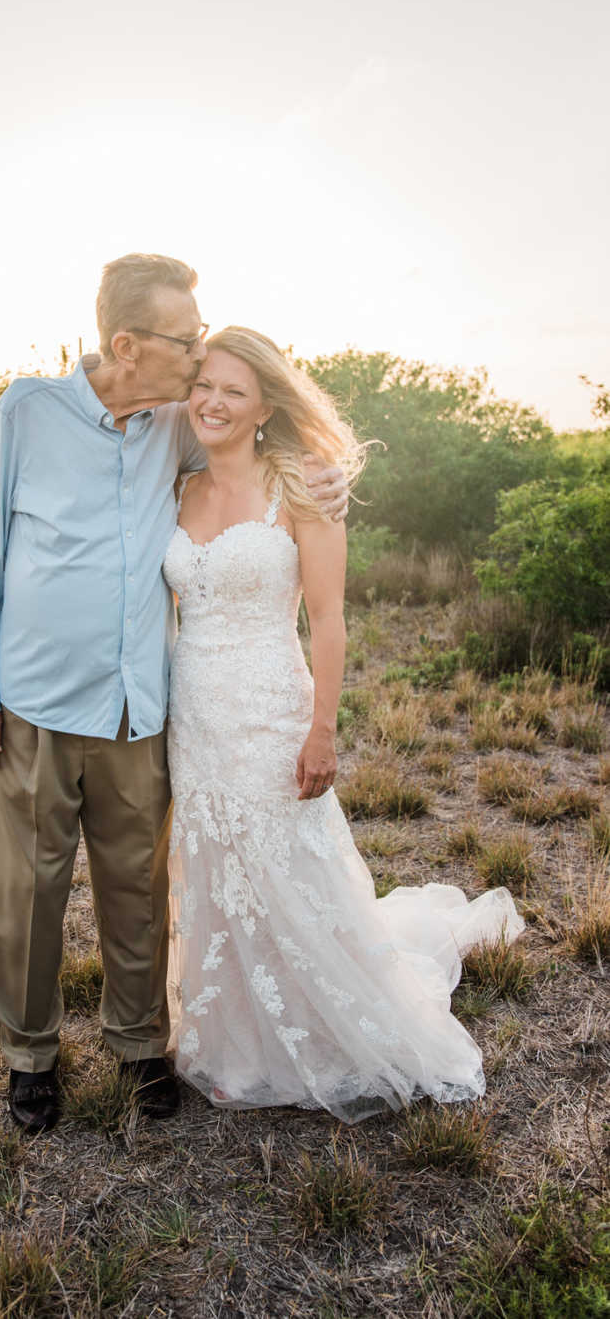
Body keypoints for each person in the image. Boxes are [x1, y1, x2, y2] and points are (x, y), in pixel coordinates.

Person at [0, 256, 349, 1133]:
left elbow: (254, 442)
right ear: (127, 345)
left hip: (140, 708)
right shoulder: (27, 411)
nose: (199, 353)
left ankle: (140, 1046)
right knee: (31, 890)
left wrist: (323, 476)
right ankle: (31, 1056)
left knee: (137, 883)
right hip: (34, 705)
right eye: (186, 338)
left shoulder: (177, 421)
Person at [163, 326, 524, 1120]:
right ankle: (233, 1040)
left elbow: (328, 619)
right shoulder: (179, 483)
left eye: (234, 390)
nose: (213, 402)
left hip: (271, 706)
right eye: (205, 386)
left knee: (291, 865)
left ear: (264, 407)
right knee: (216, 864)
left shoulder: (302, 483)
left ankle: (333, 1026)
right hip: (194, 709)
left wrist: (321, 729)